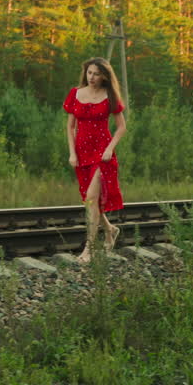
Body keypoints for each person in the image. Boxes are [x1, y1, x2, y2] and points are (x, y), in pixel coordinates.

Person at [63, 57, 127, 262]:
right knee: (91, 201)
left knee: (91, 197)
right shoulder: (75, 93)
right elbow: (70, 126)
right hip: (81, 152)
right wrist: (72, 153)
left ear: (104, 76)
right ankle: (110, 230)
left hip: (102, 153)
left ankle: (88, 250)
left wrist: (109, 149)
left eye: (97, 74)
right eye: (90, 72)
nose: (92, 77)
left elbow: (121, 127)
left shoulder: (110, 95)